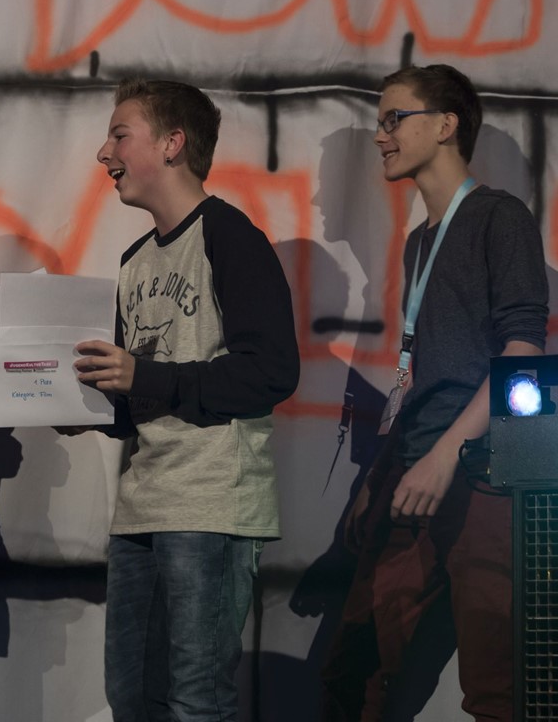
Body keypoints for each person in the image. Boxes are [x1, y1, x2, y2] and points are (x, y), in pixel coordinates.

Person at [322, 64, 549, 722]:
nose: (380, 136)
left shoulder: (500, 217)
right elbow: (419, 372)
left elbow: (524, 352)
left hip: (490, 476)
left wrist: (447, 454)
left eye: (394, 119)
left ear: (445, 125)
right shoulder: (419, 243)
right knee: (359, 674)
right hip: (418, 469)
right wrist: (384, 470)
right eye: (379, 122)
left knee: (497, 688)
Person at [72, 79, 299, 721]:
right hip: (141, 506)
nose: (104, 153)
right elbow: (139, 397)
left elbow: (271, 372)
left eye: (119, 135)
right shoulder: (135, 260)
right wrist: (72, 405)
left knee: (196, 700)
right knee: (131, 698)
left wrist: (144, 376)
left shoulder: (231, 237)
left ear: (172, 144)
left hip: (208, 505)